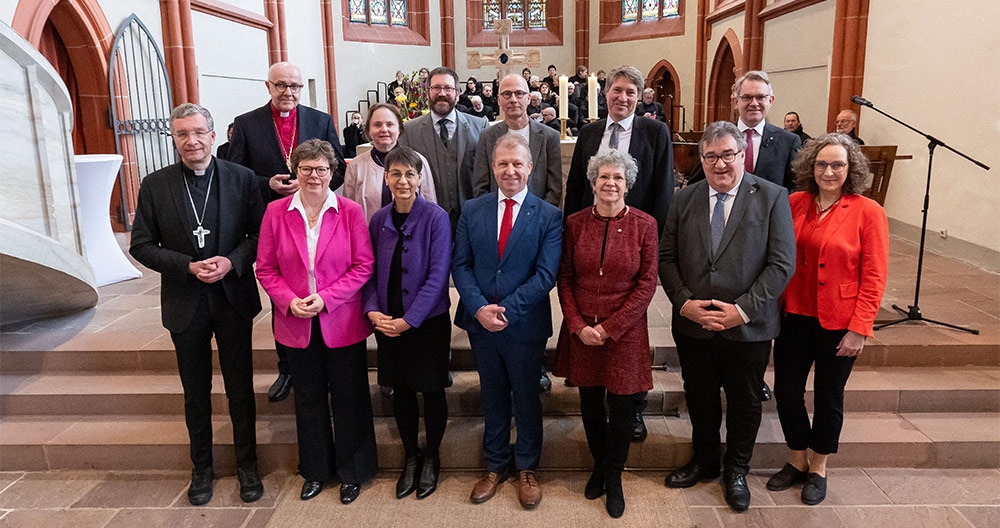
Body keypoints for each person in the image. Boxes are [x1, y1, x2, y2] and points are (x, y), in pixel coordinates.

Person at [130, 103, 265, 506]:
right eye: (182, 134)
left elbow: (259, 235)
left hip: (232, 297)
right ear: (174, 139)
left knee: (240, 388)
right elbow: (141, 245)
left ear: (212, 135)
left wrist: (232, 261)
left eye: (198, 132)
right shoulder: (155, 185)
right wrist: (187, 266)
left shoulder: (242, 178)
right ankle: (201, 468)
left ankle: (248, 465)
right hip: (184, 300)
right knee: (195, 392)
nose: (191, 141)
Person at [659, 121, 796, 513]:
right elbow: (666, 257)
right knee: (700, 396)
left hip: (748, 327)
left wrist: (743, 310)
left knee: (745, 401)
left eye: (727, 155)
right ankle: (704, 460)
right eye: (711, 156)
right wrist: (683, 302)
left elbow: (781, 264)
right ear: (701, 160)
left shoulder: (771, 196)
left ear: (742, 155)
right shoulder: (684, 199)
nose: (720, 164)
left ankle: (736, 469)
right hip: (694, 324)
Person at [767, 133, 888, 505]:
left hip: (840, 321)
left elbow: (875, 276)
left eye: (837, 164)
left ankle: (818, 467)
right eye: (821, 164)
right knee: (787, 392)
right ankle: (797, 459)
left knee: (828, 397)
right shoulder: (794, 203)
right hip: (794, 315)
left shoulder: (868, 211)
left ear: (851, 169)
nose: (829, 171)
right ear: (811, 166)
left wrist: (860, 329)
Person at [255, 139, 377, 504]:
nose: (313, 176)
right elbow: (266, 268)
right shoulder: (276, 212)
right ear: (295, 170)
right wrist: (288, 301)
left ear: (332, 172)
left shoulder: (349, 211)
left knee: (349, 397)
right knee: (308, 399)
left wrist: (326, 298)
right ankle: (316, 470)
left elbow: (363, 266)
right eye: (306, 168)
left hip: (341, 320)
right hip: (296, 322)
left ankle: (353, 471)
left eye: (321, 169)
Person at [564, 65, 674, 442]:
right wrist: (571, 234)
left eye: (630, 91)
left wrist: (654, 243)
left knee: (631, 332)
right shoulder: (590, 132)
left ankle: (634, 405)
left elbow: (663, 190)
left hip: (635, 240)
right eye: (616, 90)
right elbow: (576, 187)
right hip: (591, 232)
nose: (622, 97)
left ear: (639, 97)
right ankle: (594, 386)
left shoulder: (655, 132)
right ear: (605, 93)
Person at [453, 133, 562, 510]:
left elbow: (546, 274)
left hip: (525, 324)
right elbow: (461, 265)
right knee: (493, 394)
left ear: (530, 168)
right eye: (503, 163)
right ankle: (495, 465)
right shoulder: (472, 210)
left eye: (517, 164)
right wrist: (480, 308)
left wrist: (507, 310)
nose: (510, 170)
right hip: (481, 323)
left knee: (527, 397)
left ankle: (527, 467)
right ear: (492, 167)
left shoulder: (548, 215)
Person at [228, 61, 347, 403]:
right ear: (268, 87)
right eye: (280, 85)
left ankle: (323, 359)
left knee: (320, 286)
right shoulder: (247, 124)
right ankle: (287, 367)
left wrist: (310, 186)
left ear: (301, 88)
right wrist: (267, 184)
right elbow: (235, 174)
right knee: (282, 295)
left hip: (317, 217)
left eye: (294, 86)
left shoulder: (320, 120)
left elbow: (338, 169)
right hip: (274, 219)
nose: (288, 92)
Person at [553, 149, 658, 518]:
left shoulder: (645, 225)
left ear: (627, 185)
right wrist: (577, 325)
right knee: (590, 402)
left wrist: (610, 328)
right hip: (582, 328)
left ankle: (614, 475)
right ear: (593, 183)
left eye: (617, 178)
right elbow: (565, 277)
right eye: (604, 177)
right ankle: (599, 465)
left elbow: (646, 285)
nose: (610, 183)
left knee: (624, 406)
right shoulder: (575, 223)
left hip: (624, 332)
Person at [362, 147, 453, 500]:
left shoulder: (436, 217)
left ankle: (432, 456)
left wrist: (409, 321)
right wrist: (372, 310)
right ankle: (411, 456)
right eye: (396, 173)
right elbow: (368, 272)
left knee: (431, 390)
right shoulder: (377, 220)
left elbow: (438, 276)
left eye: (409, 174)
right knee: (400, 391)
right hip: (388, 322)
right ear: (386, 178)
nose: (403, 181)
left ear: (419, 178)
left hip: (426, 322)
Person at [396, 66, 489, 233]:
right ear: (427, 93)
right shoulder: (409, 131)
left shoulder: (480, 126)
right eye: (436, 88)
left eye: (448, 88)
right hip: (426, 223)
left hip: (473, 221)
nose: (442, 93)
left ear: (458, 94)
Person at [474, 74, 563, 207]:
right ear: (499, 100)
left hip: (538, 215)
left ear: (528, 98)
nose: (513, 99)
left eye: (519, 94)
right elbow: (480, 187)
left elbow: (554, 189)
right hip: (497, 215)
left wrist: (539, 215)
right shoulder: (487, 136)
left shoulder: (550, 137)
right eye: (507, 94)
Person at [344, 103, 437, 223]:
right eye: (377, 125)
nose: (384, 129)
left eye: (390, 124)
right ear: (368, 130)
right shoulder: (356, 166)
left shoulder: (418, 161)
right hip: (368, 234)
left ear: (399, 128)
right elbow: (348, 212)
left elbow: (430, 206)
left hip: (413, 233)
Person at [732, 70, 801, 190]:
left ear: (770, 101)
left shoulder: (788, 141)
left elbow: (795, 188)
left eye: (760, 97)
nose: (754, 103)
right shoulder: (720, 137)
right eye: (747, 97)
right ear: (736, 102)